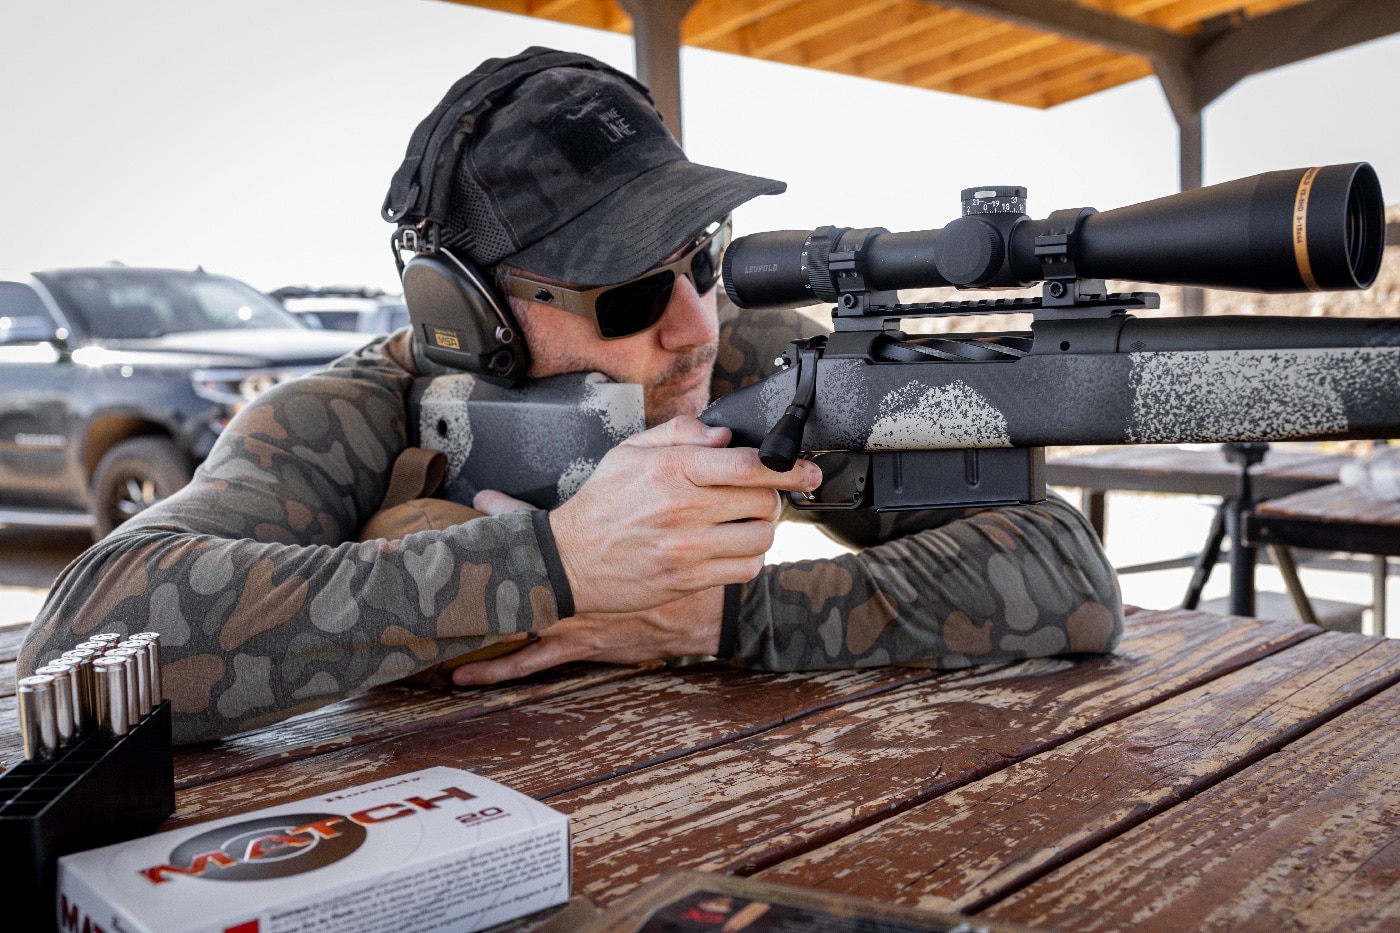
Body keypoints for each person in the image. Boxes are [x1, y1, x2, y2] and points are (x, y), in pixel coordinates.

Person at [18, 48, 1122, 744]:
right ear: (469, 317)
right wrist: (556, 568)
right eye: (632, 292)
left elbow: (1066, 578)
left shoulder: (745, 367)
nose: (695, 322)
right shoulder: (348, 416)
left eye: (700, 260)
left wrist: (722, 618)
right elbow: (84, 643)